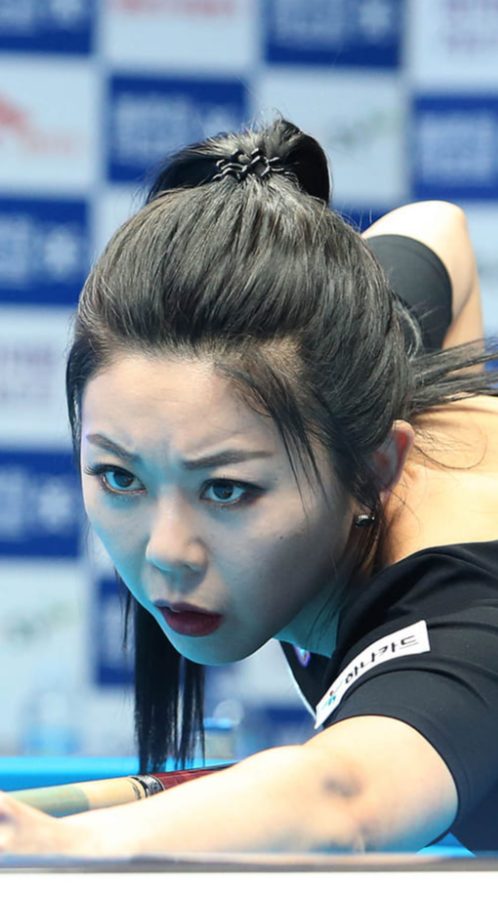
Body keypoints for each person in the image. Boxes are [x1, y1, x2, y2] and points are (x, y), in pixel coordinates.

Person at [1, 118, 498, 857]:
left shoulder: (467, 619)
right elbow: (438, 229)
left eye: (226, 490)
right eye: (120, 476)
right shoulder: (345, 373)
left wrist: (58, 847)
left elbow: (344, 798)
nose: (167, 552)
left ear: (374, 468)